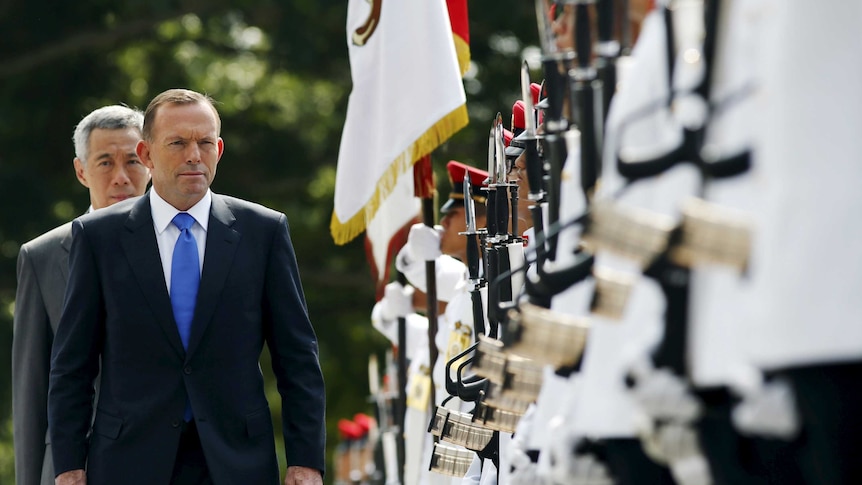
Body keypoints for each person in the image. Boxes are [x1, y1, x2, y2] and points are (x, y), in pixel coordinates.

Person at [48, 89, 325, 485]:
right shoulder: (99, 238)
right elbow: (72, 364)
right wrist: (69, 464)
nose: (194, 154)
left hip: (236, 460)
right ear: (146, 154)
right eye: (178, 143)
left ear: (219, 149)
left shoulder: (263, 231)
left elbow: (297, 356)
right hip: (129, 460)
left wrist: (306, 460)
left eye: (205, 142)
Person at [13, 105, 151, 485]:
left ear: (151, 163)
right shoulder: (41, 255)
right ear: (81, 171)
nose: (121, 177)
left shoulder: (185, 244)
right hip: (76, 468)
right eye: (105, 162)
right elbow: (31, 387)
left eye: (133, 161)